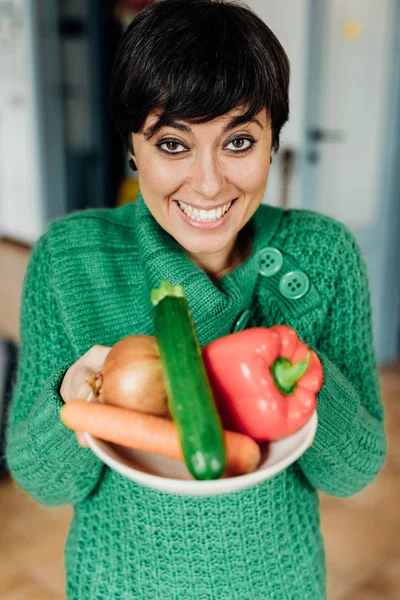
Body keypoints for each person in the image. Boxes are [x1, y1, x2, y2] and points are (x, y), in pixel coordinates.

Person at [5, 0, 386, 598]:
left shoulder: (324, 255)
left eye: (238, 141)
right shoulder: (70, 259)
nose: (209, 183)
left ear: (272, 144)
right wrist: (69, 405)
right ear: (133, 148)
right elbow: (44, 484)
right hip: (118, 586)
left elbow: (351, 471)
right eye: (174, 145)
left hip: (279, 585)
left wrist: (296, 360)